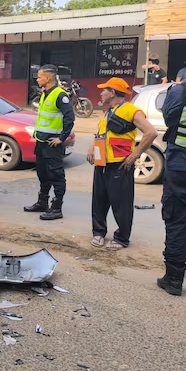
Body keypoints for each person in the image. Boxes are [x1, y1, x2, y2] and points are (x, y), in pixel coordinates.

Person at [87, 78, 157, 251]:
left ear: (112, 92)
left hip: (120, 164)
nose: (101, 93)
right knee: (99, 200)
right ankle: (99, 232)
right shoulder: (110, 111)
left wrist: (136, 154)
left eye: (104, 90)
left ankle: (122, 238)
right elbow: (101, 133)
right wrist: (91, 148)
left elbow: (151, 132)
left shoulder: (130, 110)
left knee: (121, 203)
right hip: (102, 162)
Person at [24, 64, 74, 220]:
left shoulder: (60, 95)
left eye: (39, 76)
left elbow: (69, 118)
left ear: (48, 77)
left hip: (53, 145)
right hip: (41, 142)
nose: (37, 79)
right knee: (43, 174)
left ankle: (57, 207)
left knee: (57, 175)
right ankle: (42, 202)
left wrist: (61, 138)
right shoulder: (46, 93)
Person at [158, 78, 186, 296]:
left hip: (181, 164)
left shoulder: (180, 90)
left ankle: (174, 279)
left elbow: (169, 117)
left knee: (177, 219)